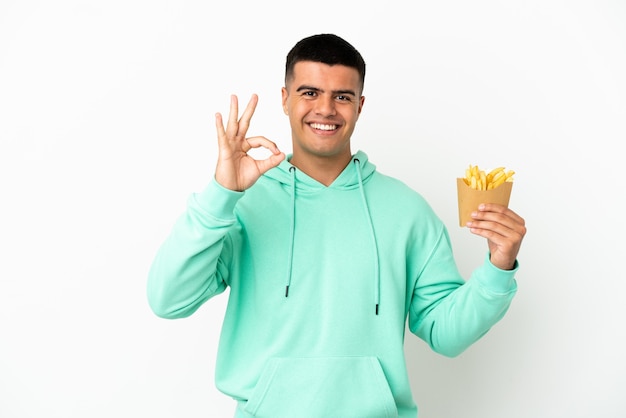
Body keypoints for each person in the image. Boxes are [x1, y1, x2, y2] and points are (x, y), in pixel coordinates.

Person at [147, 33, 526, 418]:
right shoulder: (243, 205)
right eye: (309, 92)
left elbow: (447, 334)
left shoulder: (407, 211)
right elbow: (169, 299)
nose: (325, 109)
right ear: (285, 99)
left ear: (360, 106)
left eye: (342, 97)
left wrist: (497, 270)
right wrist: (220, 194)